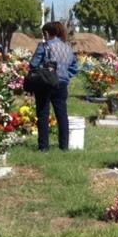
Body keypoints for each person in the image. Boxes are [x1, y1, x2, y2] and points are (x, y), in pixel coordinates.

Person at [29, 21, 78, 151]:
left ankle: (44, 147)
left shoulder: (44, 46)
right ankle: (64, 146)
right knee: (62, 115)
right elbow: (74, 68)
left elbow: (33, 64)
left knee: (43, 114)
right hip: (62, 84)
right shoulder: (68, 48)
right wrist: (64, 75)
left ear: (46, 33)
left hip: (45, 83)